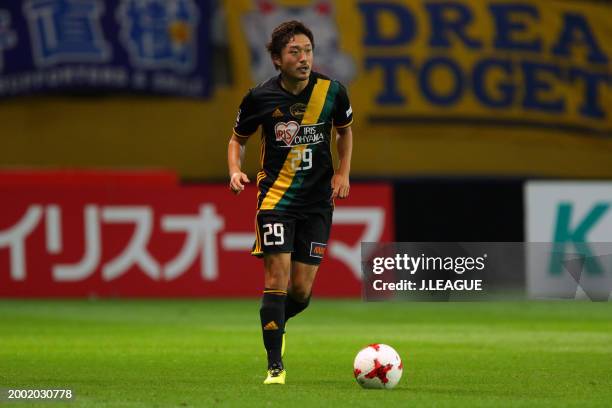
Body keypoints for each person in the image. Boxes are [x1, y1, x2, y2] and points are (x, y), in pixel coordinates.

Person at [227, 20, 353, 385]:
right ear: (278, 60)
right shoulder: (259, 98)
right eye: (294, 52)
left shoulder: (333, 92)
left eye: (308, 51)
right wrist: (235, 170)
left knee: (300, 293)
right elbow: (237, 139)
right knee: (276, 280)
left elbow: (345, 132)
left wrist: (343, 173)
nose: (303, 58)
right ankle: (274, 366)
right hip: (277, 200)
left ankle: (276, 325)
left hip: (317, 203)